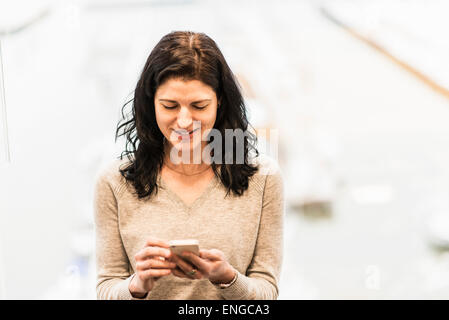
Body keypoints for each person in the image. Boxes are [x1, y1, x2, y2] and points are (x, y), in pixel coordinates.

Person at [93, 31, 284, 300]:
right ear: (151, 104)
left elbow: (266, 292)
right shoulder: (115, 181)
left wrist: (228, 279)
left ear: (220, 102)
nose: (184, 121)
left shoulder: (263, 178)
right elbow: (106, 288)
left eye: (199, 105)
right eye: (170, 106)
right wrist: (138, 284)